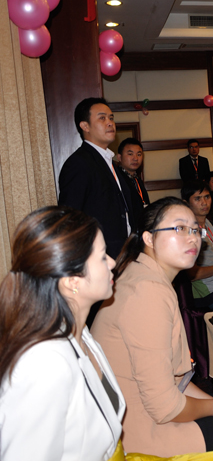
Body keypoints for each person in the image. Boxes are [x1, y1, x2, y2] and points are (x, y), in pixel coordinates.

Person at [91, 198, 213, 458]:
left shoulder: (144, 275)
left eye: (195, 229)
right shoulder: (147, 291)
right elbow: (165, 407)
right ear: (149, 238)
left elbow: (173, 380)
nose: (192, 237)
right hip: (143, 434)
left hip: (145, 413)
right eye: (179, 228)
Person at [0, 206, 124, 460]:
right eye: (103, 257)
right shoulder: (45, 364)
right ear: (72, 282)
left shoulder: (79, 331)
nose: (113, 262)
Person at [58, 97, 133, 260]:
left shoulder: (110, 162)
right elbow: (70, 218)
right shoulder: (79, 163)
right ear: (85, 126)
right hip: (100, 255)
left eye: (111, 118)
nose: (110, 123)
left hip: (124, 251)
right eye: (102, 118)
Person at [182, 181, 213, 310]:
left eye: (207, 197)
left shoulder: (211, 225)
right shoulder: (187, 232)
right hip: (211, 291)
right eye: (198, 199)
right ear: (186, 203)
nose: (204, 202)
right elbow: (193, 275)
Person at [117, 137, 150, 228]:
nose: (135, 158)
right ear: (119, 157)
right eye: (130, 154)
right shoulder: (117, 179)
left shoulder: (137, 179)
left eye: (139, 154)